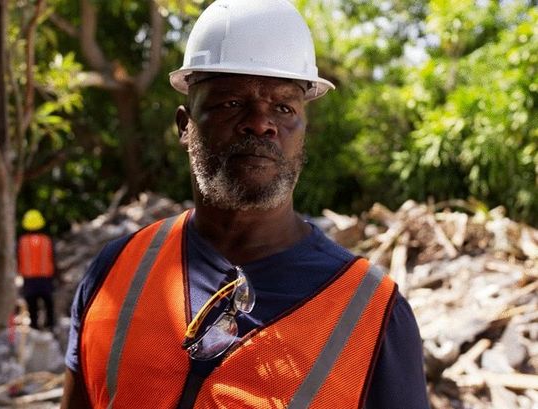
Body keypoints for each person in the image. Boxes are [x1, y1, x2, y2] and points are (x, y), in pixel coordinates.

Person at [62, 0, 429, 407]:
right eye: (232, 103)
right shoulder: (116, 273)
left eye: (284, 107)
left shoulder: (373, 314)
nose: (261, 122)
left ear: (303, 132)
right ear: (185, 126)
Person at [18, 209, 57, 331]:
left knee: (32, 306)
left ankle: (34, 328)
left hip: (29, 278)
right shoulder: (47, 240)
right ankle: (50, 326)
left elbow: (18, 259)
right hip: (45, 278)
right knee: (48, 303)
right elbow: (53, 258)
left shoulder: (22, 241)